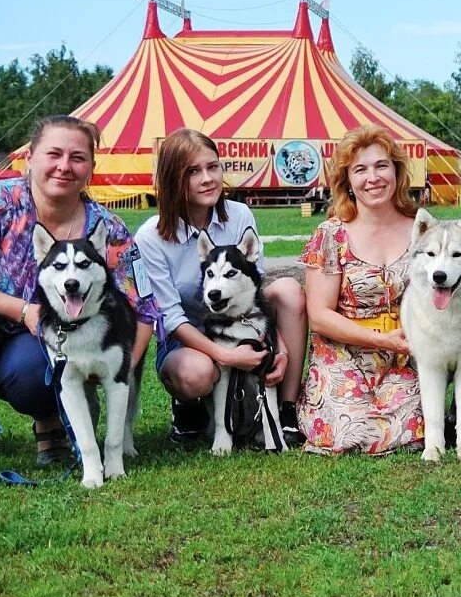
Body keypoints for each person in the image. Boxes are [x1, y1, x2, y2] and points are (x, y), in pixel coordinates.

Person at [0, 115, 159, 499]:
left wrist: (119, 367)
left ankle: (48, 425)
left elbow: (143, 305)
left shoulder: (110, 229)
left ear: (90, 168)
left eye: (78, 157)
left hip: (32, 348)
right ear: (30, 159)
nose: (64, 166)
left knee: (50, 364)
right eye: (54, 153)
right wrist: (24, 311)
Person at [136, 129, 309, 448]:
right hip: (187, 340)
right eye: (193, 171)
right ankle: (188, 405)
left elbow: (254, 290)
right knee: (196, 373)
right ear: (172, 178)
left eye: (212, 167)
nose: (207, 178)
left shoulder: (239, 215)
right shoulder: (151, 237)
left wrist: (278, 350)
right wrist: (226, 355)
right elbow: (170, 317)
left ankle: (285, 412)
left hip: (241, 324)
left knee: (287, 290)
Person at [298, 125, 425, 454]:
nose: (373, 178)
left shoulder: (424, 231)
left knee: (407, 434)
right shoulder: (331, 235)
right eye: (360, 170)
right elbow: (320, 316)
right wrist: (380, 339)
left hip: (405, 355)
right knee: (354, 435)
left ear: (396, 172)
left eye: (382, 166)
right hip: (342, 353)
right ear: (347, 181)